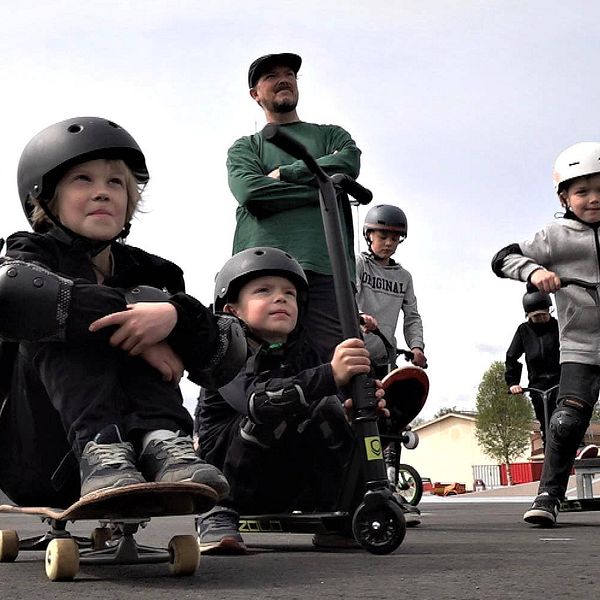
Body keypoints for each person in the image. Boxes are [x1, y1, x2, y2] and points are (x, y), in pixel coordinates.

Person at [0, 116, 245, 507]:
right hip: (45, 455)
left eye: (115, 182)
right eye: (83, 180)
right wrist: (138, 319)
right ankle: (101, 449)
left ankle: (165, 443)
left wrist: (175, 318)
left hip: (143, 460)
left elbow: (225, 355)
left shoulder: (156, 271)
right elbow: (14, 291)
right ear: (43, 197)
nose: (102, 193)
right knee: (53, 308)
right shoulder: (32, 251)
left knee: (151, 300)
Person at [194, 247, 400, 554]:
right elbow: (255, 401)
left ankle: (343, 508)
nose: (281, 298)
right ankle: (217, 513)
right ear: (232, 310)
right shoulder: (224, 348)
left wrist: (354, 410)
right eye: (263, 290)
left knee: (331, 407)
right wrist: (331, 375)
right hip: (228, 477)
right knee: (273, 408)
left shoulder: (305, 353)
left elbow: (326, 399)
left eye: (289, 293)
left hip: (288, 483)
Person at [492, 141, 600, 526]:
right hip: (580, 348)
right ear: (564, 196)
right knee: (567, 419)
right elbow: (503, 257)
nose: (593, 198)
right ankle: (548, 496)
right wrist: (535, 272)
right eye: (582, 191)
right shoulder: (556, 237)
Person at [227, 52, 362, 360]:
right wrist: (327, 189)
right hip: (262, 270)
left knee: (342, 369)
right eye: (271, 76)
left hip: (329, 271)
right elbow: (251, 192)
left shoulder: (331, 135)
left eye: (289, 73)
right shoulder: (246, 147)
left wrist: (286, 173)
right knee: (257, 372)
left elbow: (348, 163)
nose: (284, 79)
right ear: (255, 94)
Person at [356, 204, 427, 378]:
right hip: (355, 354)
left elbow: (412, 316)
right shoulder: (358, 264)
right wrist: (360, 316)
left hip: (384, 360)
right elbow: (346, 298)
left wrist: (416, 347)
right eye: (383, 236)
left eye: (395, 239)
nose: (388, 243)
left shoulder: (404, 277)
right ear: (369, 235)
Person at [505, 289, 560, 447]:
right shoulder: (524, 331)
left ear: (549, 311)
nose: (541, 318)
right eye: (536, 316)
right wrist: (513, 383)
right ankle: (549, 459)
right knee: (546, 424)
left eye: (543, 314)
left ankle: (577, 447)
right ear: (529, 316)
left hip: (561, 381)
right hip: (538, 386)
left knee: (565, 418)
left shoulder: (558, 326)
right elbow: (512, 356)